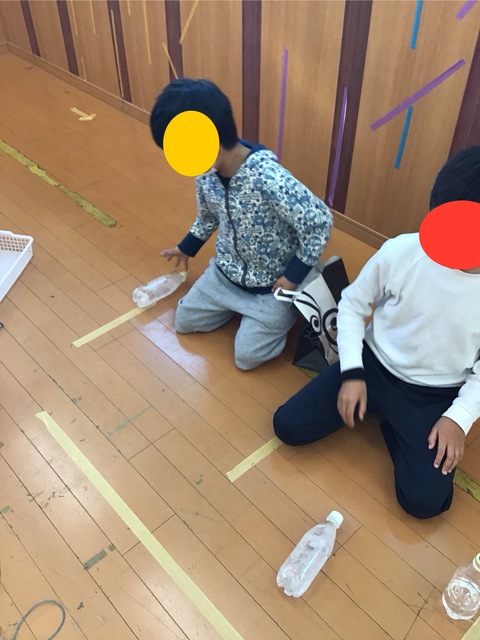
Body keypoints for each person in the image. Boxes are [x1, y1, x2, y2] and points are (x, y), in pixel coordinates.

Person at [274, 145, 480, 519]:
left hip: (433, 394)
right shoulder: (403, 251)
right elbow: (353, 306)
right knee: (287, 426)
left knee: (425, 502)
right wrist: (352, 371)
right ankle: (387, 416)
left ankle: (394, 426)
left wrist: (458, 417)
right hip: (371, 365)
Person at [150, 78, 333, 370]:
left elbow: (320, 221)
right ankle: (234, 307)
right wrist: (186, 247)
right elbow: (208, 216)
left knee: (247, 357)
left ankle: (309, 279)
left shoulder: (268, 177)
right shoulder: (205, 173)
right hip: (226, 275)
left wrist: (293, 276)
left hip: (273, 285)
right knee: (184, 321)